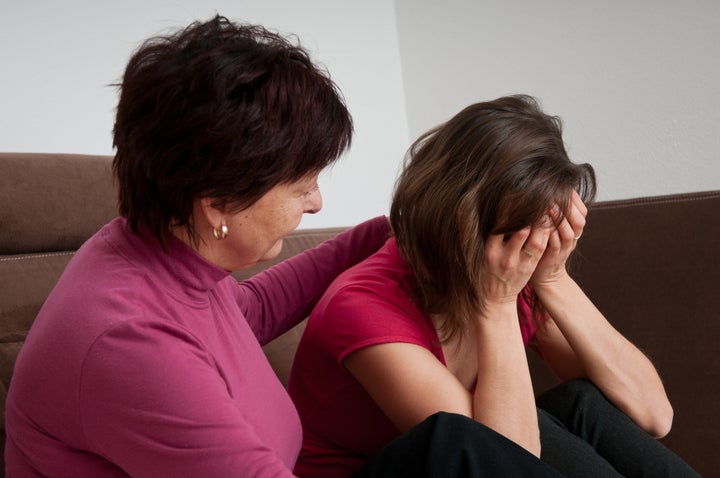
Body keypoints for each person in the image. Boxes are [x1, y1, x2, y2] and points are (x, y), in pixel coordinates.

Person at [4, 15, 393, 477]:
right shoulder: (130, 342)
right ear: (218, 203)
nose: (316, 203)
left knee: (449, 444)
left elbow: (246, 311)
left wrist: (382, 232)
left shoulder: (152, 251)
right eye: (302, 186)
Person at [288, 95, 700, 477]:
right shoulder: (362, 305)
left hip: (470, 456)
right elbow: (493, 460)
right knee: (508, 428)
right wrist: (498, 302)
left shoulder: (512, 272)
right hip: (393, 470)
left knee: (582, 402)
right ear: (463, 218)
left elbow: (653, 415)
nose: (532, 246)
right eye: (522, 231)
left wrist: (553, 279)